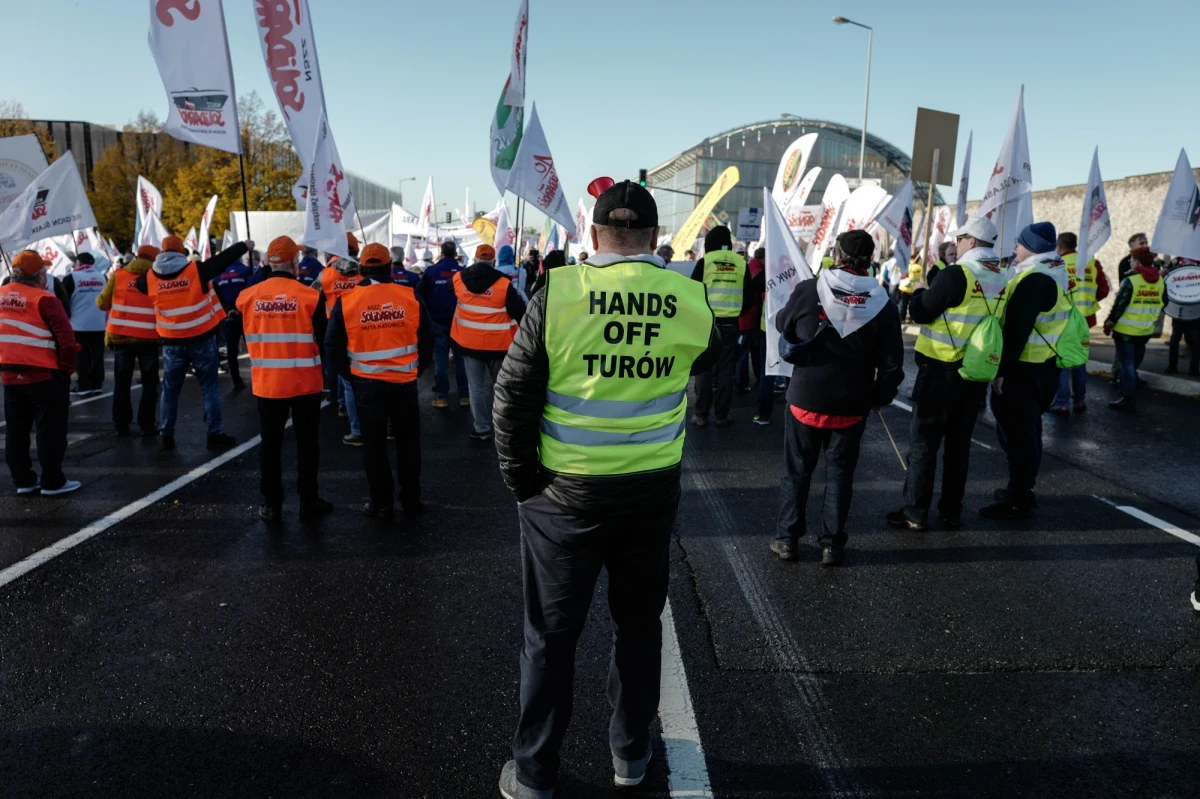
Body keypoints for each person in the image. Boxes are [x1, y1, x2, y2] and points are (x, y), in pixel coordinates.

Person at [492, 180, 717, 799]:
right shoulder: (687, 294)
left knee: (551, 637)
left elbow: (512, 395)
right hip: (647, 493)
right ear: (654, 239)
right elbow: (704, 359)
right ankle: (631, 756)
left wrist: (521, 481)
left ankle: (535, 772)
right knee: (639, 626)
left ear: (593, 236)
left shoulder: (560, 290)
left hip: (563, 497)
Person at [770, 230, 903, 566]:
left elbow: (783, 324)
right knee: (840, 475)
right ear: (870, 260)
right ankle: (832, 545)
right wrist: (880, 397)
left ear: (838, 255)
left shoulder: (809, 288)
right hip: (852, 404)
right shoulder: (883, 302)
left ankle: (787, 540)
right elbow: (892, 365)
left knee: (797, 472)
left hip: (805, 400)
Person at [886, 219, 1005, 532]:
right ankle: (951, 511)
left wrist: (920, 293)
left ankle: (915, 511)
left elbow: (923, 311)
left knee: (924, 444)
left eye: (961, 239)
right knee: (958, 447)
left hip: (941, 369)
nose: (958, 245)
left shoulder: (958, 273)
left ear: (970, 241)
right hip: (974, 371)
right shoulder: (1003, 276)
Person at [325, 243, 433, 519]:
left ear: (362, 268)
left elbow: (332, 344)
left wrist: (349, 376)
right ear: (389, 267)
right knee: (408, 444)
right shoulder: (408, 295)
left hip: (367, 385)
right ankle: (411, 500)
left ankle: (381, 502)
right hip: (403, 383)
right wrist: (418, 368)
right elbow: (428, 336)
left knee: (374, 446)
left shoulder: (347, 301)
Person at [236, 236, 333, 522]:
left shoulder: (248, 297)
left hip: (268, 383)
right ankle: (308, 500)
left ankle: (272, 503)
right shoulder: (310, 296)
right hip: (305, 382)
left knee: (270, 443)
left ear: (268, 262)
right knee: (307, 443)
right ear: (294, 263)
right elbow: (324, 339)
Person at [980, 222, 1072, 519]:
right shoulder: (1056, 270)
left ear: (1029, 245)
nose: (1015, 249)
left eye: (1019, 244)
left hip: (1023, 369)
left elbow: (1017, 330)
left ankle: (1017, 499)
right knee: (1029, 431)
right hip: (1045, 365)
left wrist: (1000, 372)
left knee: (1018, 436)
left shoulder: (1034, 278)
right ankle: (1022, 489)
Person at [134, 234, 250, 452]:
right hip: (201, 338)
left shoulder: (148, 278)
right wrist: (244, 245)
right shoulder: (196, 271)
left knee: (170, 390)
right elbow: (223, 259)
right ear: (181, 252)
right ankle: (214, 434)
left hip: (171, 342)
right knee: (209, 388)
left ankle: (166, 434)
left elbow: (138, 283)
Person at [1, 251, 80, 496]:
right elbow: (66, 341)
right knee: (50, 431)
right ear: (38, 277)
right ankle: (52, 481)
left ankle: (23, 480)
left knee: (16, 431)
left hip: (11, 375)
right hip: (45, 375)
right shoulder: (44, 300)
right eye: (44, 273)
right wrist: (66, 370)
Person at [451, 244, 524, 442]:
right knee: (501, 387)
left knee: (476, 388)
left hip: (468, 343)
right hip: (499, 345)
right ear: (493, 261)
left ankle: (482, 428)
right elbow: (520, 312)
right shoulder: (504, 284)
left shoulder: (458, 279)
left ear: (475, 259)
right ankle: (505, 428)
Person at [689, 225, 753, 427]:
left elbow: (692, 291)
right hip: (731, 325)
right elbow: (749, 296)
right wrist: (736, 312)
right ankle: (722, 415)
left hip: (706, 324)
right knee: (726, 370)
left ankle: (700, 415)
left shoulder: (705, 262)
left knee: (704, 370)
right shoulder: (741, 263)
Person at [97, 244, 161, 436]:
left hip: (122, 339)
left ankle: (121, 424)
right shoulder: (156, 277)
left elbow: (101, 303)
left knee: (122, 384)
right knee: (150, 384)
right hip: (149, 338)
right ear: (153, 259)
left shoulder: (119, 275)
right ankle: (147, 424)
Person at [1048, 232, 1110, 414]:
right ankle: (1079, 401)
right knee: (1079, 359)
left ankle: (1062, 402)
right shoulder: (1092, 262)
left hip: (1062, 320)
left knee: (1061, 361)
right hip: (1084, 319)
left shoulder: (1057, 264)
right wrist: (1090, 301)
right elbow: (1104, 289)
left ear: (1059, 247)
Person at [315, 242, 366, 446]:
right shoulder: (363, 272)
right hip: (362, 328)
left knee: (344, 377)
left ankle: (349, 417)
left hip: (334, 329)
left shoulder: (325, 275)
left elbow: (310, 297)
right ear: (354, 251)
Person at [1104, 243, 1164, 412]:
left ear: (1136, 262)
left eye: (1131, 259)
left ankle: (1128, 398)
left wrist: (1109, 322)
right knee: (1132, 363)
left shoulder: (1130, 281)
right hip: (1145, 330)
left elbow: (1120, 305)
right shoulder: (1160, 280)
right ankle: (1128, 393)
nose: (1130, 262)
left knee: (1126, 365)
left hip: (1126, 331)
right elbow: (1164, 301)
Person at [417, 241, 469, 408]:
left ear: (441, 252)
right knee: (461, 360)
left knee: (441, 361)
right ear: (455, 253)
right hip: (459, 321)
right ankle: (464, 396)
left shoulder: (431, 271)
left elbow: (419, 294)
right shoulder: (463, 272)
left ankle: (442, 397)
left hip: (437, 322)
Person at [62, 252, 109, 396]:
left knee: (81, 356)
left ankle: (83, 385)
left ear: (78, 263)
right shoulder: (103, 277)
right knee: (97, 356)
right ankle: (97, 384)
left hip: (78, 324)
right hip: (99, 324)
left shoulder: (71, 278)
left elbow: (63, 301)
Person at [213, 249, 256, 390]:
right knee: (252, 348)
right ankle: (257, 377)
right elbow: (251, 291)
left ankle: (236, 380)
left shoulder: (219, 275)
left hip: (228, 315)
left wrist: (226, 309)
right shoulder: (246, 271)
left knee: (232, 349)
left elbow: (215, 295)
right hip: (245, 314)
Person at [1164, 257, 1200, 376]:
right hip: (1179, 308)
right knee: (1175, 339)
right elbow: (1168, 279)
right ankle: (1172, 366)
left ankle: (1194, 369)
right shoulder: (1176, 262)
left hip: (1196, 308)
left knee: (1196, 340)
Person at [896, 252, 923, 322]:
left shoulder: (908, 266)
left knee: (903, 305)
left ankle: (902, 319)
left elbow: (902, 275)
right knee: (913, 306)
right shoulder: (920, 268)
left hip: (905, 288)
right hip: (915, 289)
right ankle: (912, 319)